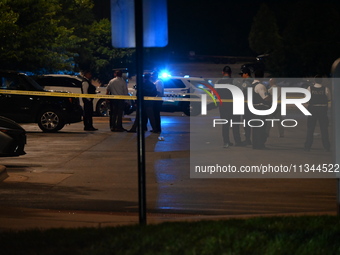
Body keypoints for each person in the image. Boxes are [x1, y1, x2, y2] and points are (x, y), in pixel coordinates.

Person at [215, 66, 244, 148]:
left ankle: (226, 142)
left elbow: (215, 95)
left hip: (223, 107)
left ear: (222, 72)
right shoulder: (235, 81)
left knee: (225, 125)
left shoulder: (218, 82)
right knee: (235, 125)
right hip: (234, 107)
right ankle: (237, 141)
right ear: (231, 73)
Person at [304, 75, 331, 152]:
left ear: (315, 81)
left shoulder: (310, 89)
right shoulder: (326, 89)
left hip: (313, 109)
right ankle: (326, 146)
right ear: (321, 81)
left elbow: (306, 99)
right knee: (324, 129)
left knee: (310, 129)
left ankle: (307, 146)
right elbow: (329, 99)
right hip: (322, 110)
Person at [250, 69, 270, 149]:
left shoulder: (252, 85)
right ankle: (260, 144)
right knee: (261, 128)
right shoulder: (260, 86)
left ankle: (255, 144)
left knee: (255, 128)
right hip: (260, 108)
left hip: (253, 108)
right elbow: (265, 97)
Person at [239, 67, 253, 145]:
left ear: (246, 74)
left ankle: (247, 139)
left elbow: (243, 93)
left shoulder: (246, 82)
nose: (241, 76)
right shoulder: (253, 81)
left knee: (246, 122)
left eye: (242, 74)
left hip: (246, 105)